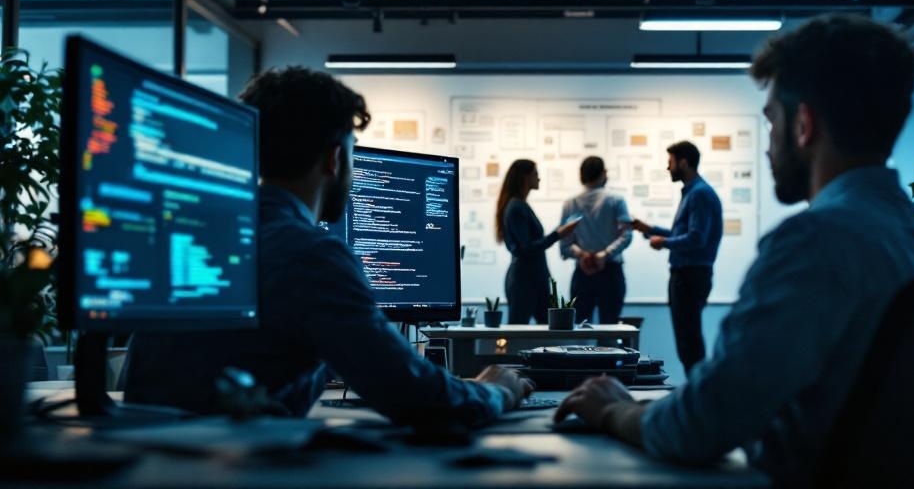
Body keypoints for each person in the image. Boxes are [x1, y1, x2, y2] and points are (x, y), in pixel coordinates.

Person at [553, 14, 914, 486]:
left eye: (771, 118)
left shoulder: (811, 243)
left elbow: (699, 427)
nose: (767, 144)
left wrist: (612, 411)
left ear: (804, 124)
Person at [125, 67, 533, 427]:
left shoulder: (193, 238)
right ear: (335, 160)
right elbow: (423, 399)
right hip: (234, 470)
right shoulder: (310, 253)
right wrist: (497, 389)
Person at [632, 141, 723, 374]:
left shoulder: (699, 194)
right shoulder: (695, 192)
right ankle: (698, 396)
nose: (667, 168)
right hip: (689, 275)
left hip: (690, 276)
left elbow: (696, 238)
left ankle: (698, 398)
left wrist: (663, 243)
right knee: (688, 340)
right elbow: (685, 234)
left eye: (670, 162)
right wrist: (651, 229)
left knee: (689, 342)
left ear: (684, 162)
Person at [496, 159, 579, 324]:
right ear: (524, 178)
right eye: (535, 174)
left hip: (533, 277)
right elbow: (527, 248)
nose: (539, 178)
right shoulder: (516, 207)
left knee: (544, 328)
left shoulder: (519, 206)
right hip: (524, 280)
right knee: (518, 332)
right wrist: (557, 234)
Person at [559, 156, 632, 324]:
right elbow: (626, 235)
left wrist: (583, 255)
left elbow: (565, 243)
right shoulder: (616, 200)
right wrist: (604, 254)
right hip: (611, 271)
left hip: (582, 273)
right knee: (611, 329)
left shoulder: (570, 203)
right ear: (603, 173)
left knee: (580, 330)